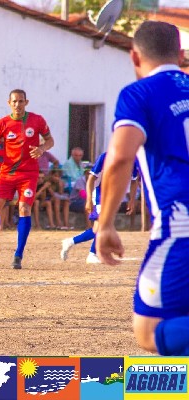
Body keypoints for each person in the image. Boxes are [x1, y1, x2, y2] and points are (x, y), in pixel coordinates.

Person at [96, 21, 189, 356]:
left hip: (180, 224)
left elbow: (120, 157)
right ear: (181, 55)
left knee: (149, 329)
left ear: (134, 56)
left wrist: (105, 223)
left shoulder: (139, 94)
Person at [0, 89, 54, 269]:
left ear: (26, 102)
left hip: (28, 174)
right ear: (9, 103)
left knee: (24, 208)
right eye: (14, 101)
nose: (17, 104)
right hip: (7, 173)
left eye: (21, 101)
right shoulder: (2, 123)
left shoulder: (37, 120)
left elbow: (50, 140)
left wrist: (42, 149)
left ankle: (18, 255)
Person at [61, 152, 139, 264]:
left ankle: (70, 242)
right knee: (103, 225)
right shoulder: (105, 157)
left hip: (113, 196)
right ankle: (92, 254)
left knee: (97, 229)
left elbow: (134, 181)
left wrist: (132, 200)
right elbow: (91, 179)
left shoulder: (133, 160)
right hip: (99, 194)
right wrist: (89, 199)